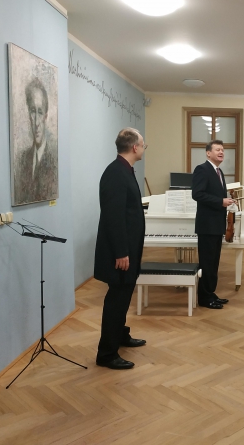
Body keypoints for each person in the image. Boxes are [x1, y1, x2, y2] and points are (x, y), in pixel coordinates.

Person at [94, 128, 147, 370]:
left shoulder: (124, 169)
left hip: (128, 249)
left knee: (124, 295)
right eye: (143, 144)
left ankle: (121, 335)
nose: (144, 148)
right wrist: (121, 252)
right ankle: (107, 353)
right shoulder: (116, 173)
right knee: (117, 299)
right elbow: (113, 217)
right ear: (135, 147)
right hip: (121, 252)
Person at [192, 140, 236, 309]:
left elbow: (217, 196)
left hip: (216, 225)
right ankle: (204, 298)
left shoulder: (219, 171)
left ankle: (210, 293)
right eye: (217, 149)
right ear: (208, 153)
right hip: (207, 225)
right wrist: (220, 201)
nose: (221, 152)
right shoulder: (202, 169)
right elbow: (197, 194)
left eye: (223, 150)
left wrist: (227, 201)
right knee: (207, 262)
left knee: (214, 262)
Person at [14, 77, 58, 205]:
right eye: (33, 111)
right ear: (29, 114)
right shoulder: (22, 160)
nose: (37, 122)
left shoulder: (55, 160)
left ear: (46, 116)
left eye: (40, 112)